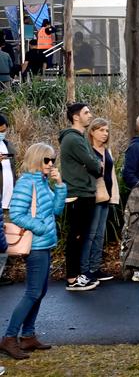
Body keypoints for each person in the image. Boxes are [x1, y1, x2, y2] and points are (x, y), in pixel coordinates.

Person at [0, 143, 66, 360]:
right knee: (33, 292)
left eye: (53, 160)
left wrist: (60, 185)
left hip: (45, 243)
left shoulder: (43, 182)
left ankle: (28, 336)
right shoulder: (27, 182)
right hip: (35, 245)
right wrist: (40, 227)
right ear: (37, 159)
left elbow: (56, 210)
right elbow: (17, 214)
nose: (50, 164)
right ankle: (10, 338)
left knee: (41, 291)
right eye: (47, 160)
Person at [59, 103, 102, 291]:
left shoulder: (80, 138)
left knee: (81, 235)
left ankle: (76, 275)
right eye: (86, 112)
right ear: (76, 117)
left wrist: (93, 164)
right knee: (76, 236)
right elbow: (94, 165)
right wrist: (94, 164)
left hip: (85, 192)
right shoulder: (73, 140)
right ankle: (72, 278)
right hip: (78, 193)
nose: (90, 115)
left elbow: (94, 163)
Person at [80, 118, 119, 283]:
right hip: (93, 197)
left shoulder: (106, 150)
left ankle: (95, 268)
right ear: (92, 132)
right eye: (101, 130)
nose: (105, 133)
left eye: (107, 130)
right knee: (90, 234)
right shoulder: (87, 151)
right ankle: (84, 270)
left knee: (99, 235)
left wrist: (114, 196)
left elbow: (112, 175)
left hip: (106, 196)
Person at [0, 114, 17, 286]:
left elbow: (13, 170)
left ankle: (3, 272)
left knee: (5, 237)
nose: (3, 133)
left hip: (9, 199)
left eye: (4, 131)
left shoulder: (7, 144)